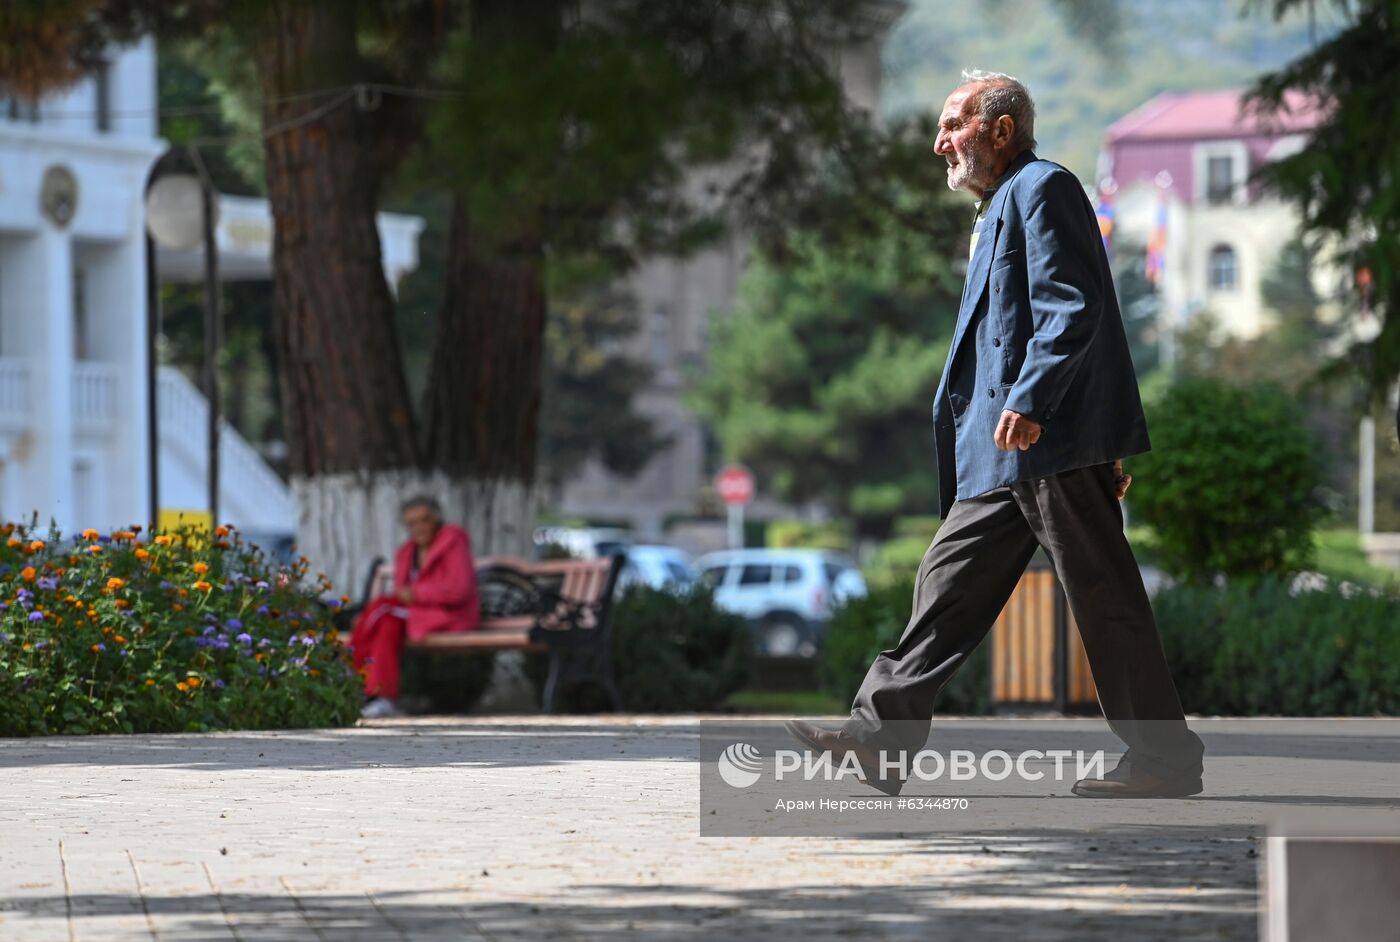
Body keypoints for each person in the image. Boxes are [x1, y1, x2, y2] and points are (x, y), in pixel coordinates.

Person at [787, 70, 1205, 799]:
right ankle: (878, 739)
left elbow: (1072, 307)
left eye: (954, 124)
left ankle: (1164, 759)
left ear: (1000, 129)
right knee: (944, 589)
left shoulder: (1043, 188)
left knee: (1106, 601)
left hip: (1044, 441)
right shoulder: (998, 206)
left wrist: (1039, 401)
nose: (938, 141)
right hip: (998, 451)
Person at [351, 496, 480, 718]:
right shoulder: (407, 552)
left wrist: (417, 593)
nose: (419, 528)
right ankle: (381, 697)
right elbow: (404, 593)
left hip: (451, 616)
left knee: (382, 609)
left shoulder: (453, 543)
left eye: (425, 520)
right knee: (387, 622)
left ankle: (351, 669)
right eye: (412, 523)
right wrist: (411, 596)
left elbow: (460, 589)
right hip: (419, 614)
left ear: (436, 520)